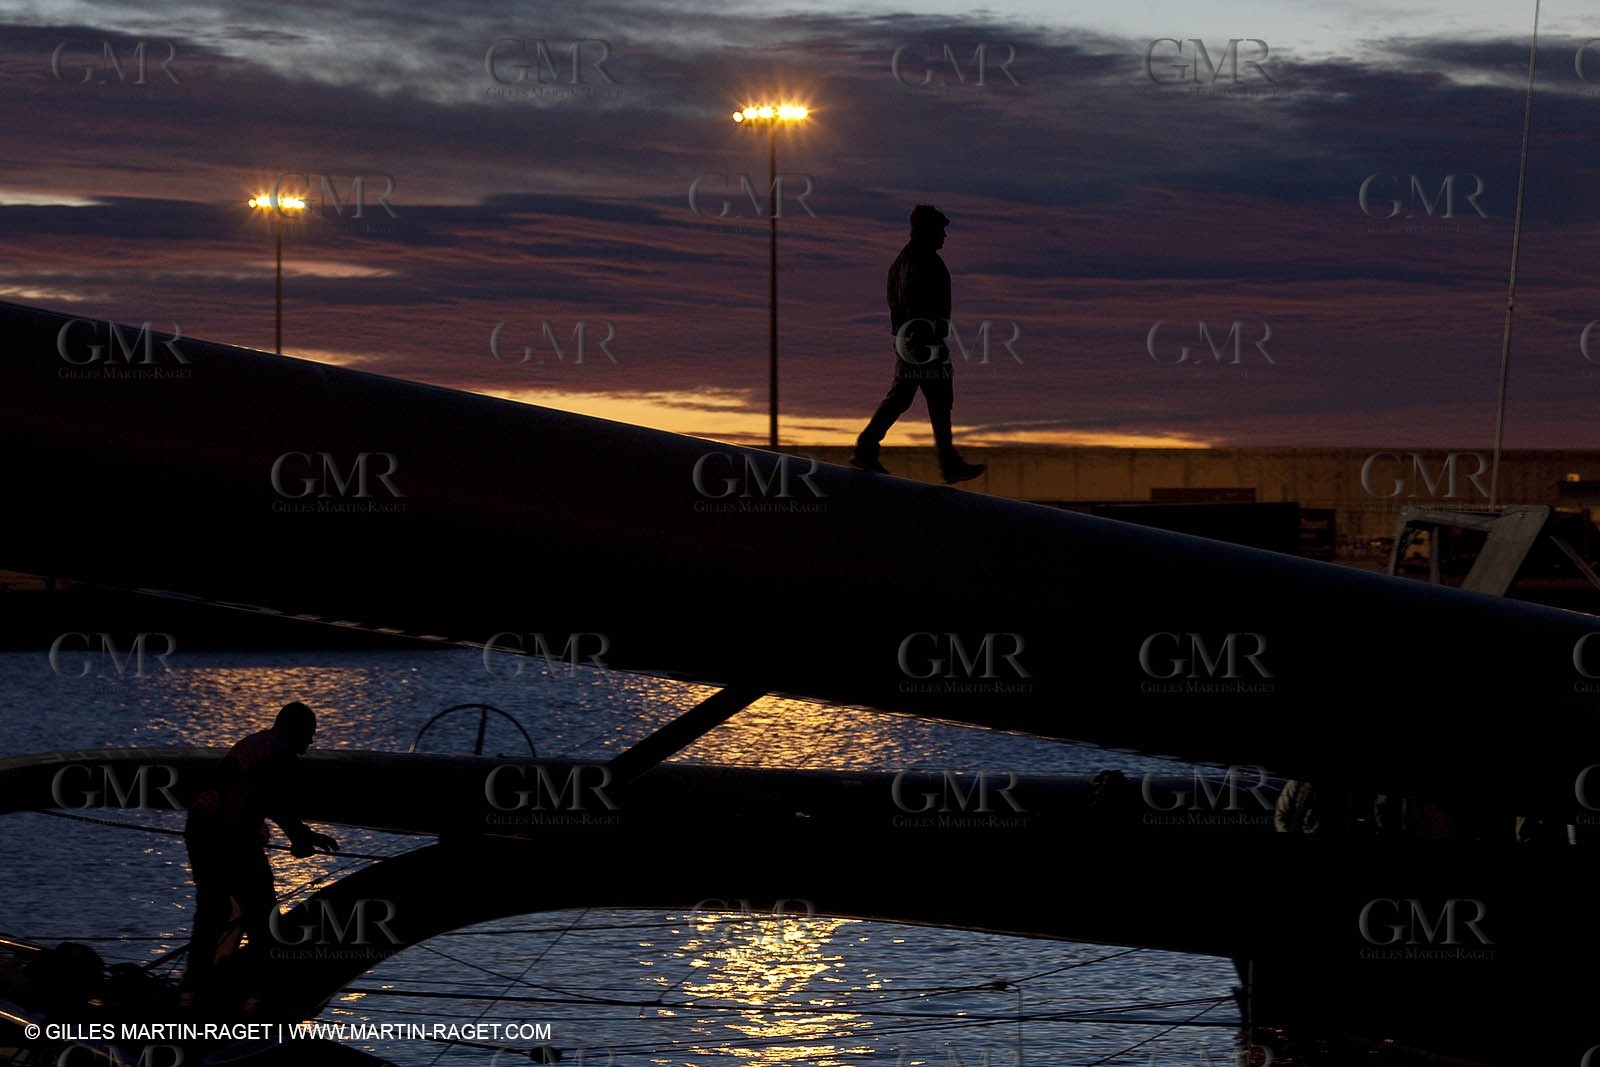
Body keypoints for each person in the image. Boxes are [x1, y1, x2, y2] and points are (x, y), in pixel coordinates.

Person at [179, 701, 338, 1009]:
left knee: (212, 913)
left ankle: (192, 991)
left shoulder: (257, 744)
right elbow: (274, 800)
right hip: (228, 836)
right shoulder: (279, 754)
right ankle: (259, 996)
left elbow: (260, 800)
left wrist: (297, 835)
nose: (311, 742)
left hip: (201, 829)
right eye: (308, 734)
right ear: (295, 732)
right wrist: (301, 837)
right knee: (262, 916)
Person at [850, 204, 986, 484]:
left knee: (912, 399)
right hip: (922, 342)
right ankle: (944, 462)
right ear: (926, 230)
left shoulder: (905, 261)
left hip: (914, 341)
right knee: (930, 400)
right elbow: (916, 304)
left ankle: (870, 448)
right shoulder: (919, 261)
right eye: (940, 230)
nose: (944, 236)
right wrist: (924, 339)